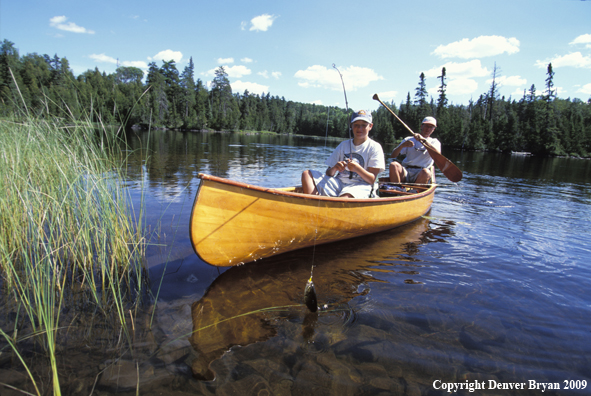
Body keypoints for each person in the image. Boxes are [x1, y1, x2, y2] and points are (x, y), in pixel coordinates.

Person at [301, 110, 385, 198]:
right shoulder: (343, 145)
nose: (359, 128)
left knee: (344, 198)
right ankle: (314, 205)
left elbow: (372, 180)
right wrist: (335, 168)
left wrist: (357, 169)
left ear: (370, 126)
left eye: (364, 125)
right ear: (351, 126)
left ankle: (328, 206)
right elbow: (329, 173)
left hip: (361, 186)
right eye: (356, 125)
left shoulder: (375, 147)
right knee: (306, 174)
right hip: (339, 183)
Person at [389, 116, 441, 184]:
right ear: (421, 126)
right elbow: (393, 155)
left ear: (433, 129)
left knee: (427, 172)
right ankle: (397, 189)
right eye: (426, 126)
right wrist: (402, 146)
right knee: (393, 165)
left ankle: (414, 192)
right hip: (406, 170)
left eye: (431, 127)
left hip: (421, 173)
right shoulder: (408, 139)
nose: (428, 129)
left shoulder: (434, 142)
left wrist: (423, 140)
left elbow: (438, 156)